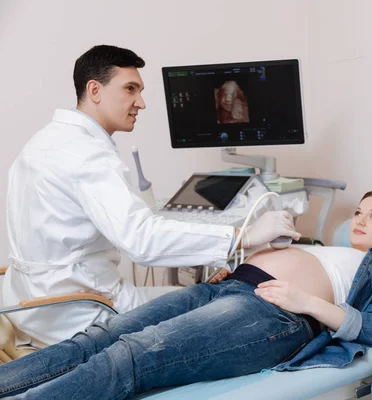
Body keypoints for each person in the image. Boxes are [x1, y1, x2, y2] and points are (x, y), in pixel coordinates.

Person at [2, 44, 299, 349]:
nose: (140, 103)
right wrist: (244, 235)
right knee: (222, 309)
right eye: (130, 89)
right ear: (94, 90)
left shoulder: (43, 142)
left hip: (29, 309)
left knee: (197, 292)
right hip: (80, 315)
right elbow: (141, 240)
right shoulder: (86, 154)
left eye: (140, 91)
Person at [0, 191, 372, 399]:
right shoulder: (322, 245)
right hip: (223, 288)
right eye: (359, 211)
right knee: (99, 337)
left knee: (131, 354)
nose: (360, 220)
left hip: (270, 313)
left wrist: (305, 302)